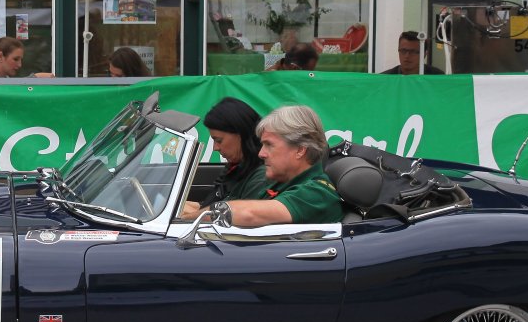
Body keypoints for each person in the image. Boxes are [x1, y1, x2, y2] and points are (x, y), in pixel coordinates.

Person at [180, 104, 340, 226]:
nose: (261, 153)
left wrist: (180, 221)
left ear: (300, 150)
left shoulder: (317, 194)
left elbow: (246, 213)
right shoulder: (279, 181)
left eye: (269, 145)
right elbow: (224, 204)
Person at [202, 97, 267, 201]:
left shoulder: (261, 175)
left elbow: (234, 210)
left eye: (219, 140)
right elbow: (208, 205)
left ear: (241, 134)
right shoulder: (237, 167)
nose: (215, 148)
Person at [379, 31, 444, 75]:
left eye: (413, 52)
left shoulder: (437, 77)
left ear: (424, 54)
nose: (407, 56)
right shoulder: (386, 79)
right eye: (403, 51)